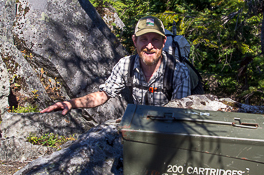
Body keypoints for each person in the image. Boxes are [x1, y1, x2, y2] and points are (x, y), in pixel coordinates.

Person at [40, 16, 191, 115]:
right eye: (143, 39)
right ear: (135, 41)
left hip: (169, 130)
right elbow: (102, 95)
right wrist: (71, 103)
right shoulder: (126, 65)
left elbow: (179, 114)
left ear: (164, 42)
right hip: (141, 126)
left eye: (155, 40)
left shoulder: (178, 71)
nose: (149, 46)